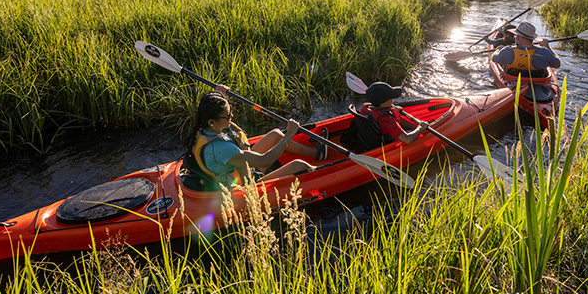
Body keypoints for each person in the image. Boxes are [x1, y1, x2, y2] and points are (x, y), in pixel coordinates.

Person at [181, 87, 326, 192]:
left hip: (239, 169)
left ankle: (315, 153)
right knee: (299, 165)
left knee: (276, 134)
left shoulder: (206, 128)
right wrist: (289, 134)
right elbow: (266, 160)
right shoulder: (220, 149)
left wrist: (219, 95)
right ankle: (328, 174)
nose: (231, 118)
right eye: (227, 116)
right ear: (212, 121)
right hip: (242, 184)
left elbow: (219, 117)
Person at [358, 82, 429, 145]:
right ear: (383, 103)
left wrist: (393, 111)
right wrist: (420, 127)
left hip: (369, 139)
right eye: (390, 98)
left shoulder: (365, 107)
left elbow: (379, 110)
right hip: (388, 143)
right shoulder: (386, 119)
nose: (392, 100)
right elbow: (408, 140)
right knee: (419, 135)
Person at [490, 21, 560, 77]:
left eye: (516, 35)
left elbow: (493, 58)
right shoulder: (544, 52)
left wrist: (498, 50)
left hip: (513, 81)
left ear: (521, 38)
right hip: (538, 82)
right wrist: (547, 46)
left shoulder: (507, 51)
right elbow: (557, 65)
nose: (515, 37)